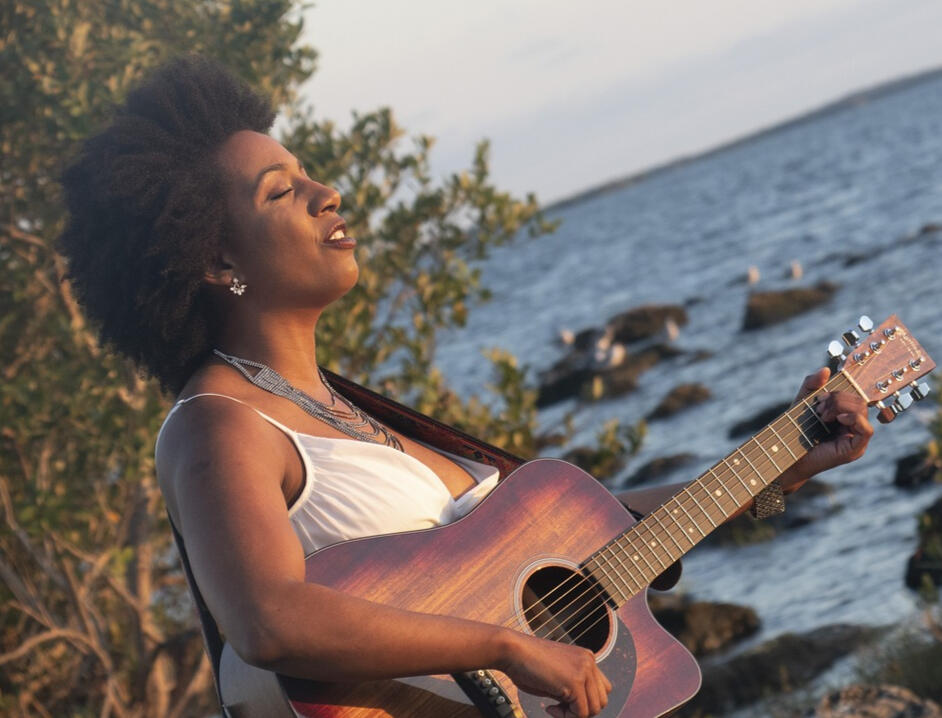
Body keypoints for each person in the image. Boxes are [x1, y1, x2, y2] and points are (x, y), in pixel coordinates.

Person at [57, 56, 874, 718]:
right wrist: (506, 649)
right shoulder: (218, 426)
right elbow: (266, 619)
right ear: (215, 260)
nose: (326, 193)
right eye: (280, 191)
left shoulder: (346, 407)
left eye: (306, 173)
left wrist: (788, 460)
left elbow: (594, 540)